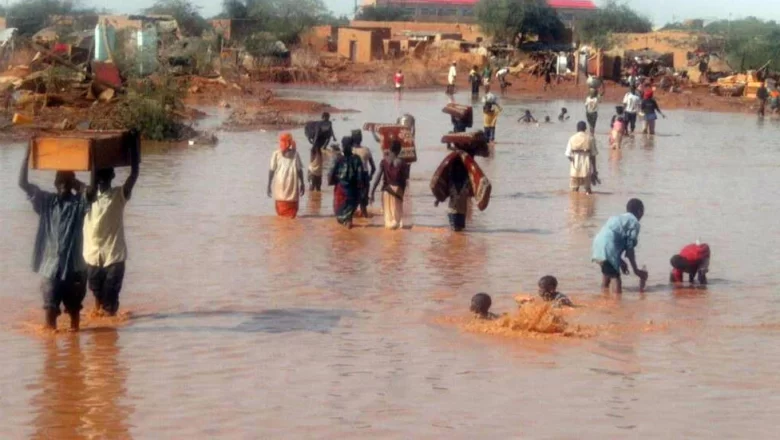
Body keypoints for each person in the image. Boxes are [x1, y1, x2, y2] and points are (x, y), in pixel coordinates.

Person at [19, 146, 89, 331]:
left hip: (75, 271)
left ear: (72, 183)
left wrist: (77, 182)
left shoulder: (79, 204)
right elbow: (23, 183)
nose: (63, 183)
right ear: (55, 183)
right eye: (60, 179)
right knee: (49, 324)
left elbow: (90, 193)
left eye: (67, 180)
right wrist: (28, 153)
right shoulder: (46, 202)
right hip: (51, 270)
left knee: (75, 324)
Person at [83, 141, 140, 317]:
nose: (103, 181)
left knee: (109, 305)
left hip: (113, 256)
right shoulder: (87, 196)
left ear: (111, 177)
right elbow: (72, 181)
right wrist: (92, 154)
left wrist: (134, 149)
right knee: (97, 298)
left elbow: (134, 175)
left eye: (105, 177)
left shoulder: (118, 195)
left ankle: (108, 336)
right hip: (93, 255)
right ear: (97, 179)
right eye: (101, 177)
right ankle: (104, 334)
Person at [592, 198, 648, 294]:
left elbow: (612, 239)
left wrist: (620, 261)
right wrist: (636, 270)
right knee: (616, 279)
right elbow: (629, 250)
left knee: (607, 275)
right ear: (640, 211)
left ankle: (603, 299)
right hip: (608, 248)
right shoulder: (634, 222)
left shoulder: (617, 218)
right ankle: (617, 304)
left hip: (597, 246)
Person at [370, 140, 410, 230]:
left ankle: (389, 240)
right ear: (399, 150)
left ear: (390, 149)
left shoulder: (384, 161)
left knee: (388, 219)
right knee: (397, 219)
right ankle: (397, 240)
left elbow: (377, 178)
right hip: (398, 191)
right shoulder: (402, 163)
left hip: (387, 191)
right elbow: (405, 178)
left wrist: (371, 193)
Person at [329, 136, 365, 228]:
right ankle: (348, 222)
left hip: (341, 188)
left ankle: (346, 223)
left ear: (342, 145)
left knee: (339, 210)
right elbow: (360, 176)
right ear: (352, 146)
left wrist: (332, 182)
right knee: (350, 208)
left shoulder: (338, 158)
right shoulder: (356, 159)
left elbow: (331, 173)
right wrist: (361, 189)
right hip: (352, 189)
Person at [268, 132, 305, 219]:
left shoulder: (276, 154)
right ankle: (291, 229)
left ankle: (283, 229)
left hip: (280, 185)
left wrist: (269, 184)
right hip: (292, 184)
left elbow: (272, 170)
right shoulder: (295, 154)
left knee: (281, 213)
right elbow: (300, 170)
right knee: (291, 213)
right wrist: (302, 183)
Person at [435, 157, 471, 231]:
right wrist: (438, 199)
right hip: (454, 211)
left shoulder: (466, 181)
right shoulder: (452, 182)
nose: (458, 170)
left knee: (459, 232)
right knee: (456, 231)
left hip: (462, 212)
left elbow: (475, 191)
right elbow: (444, 192)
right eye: (457, 168)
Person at [565, 121, 599, 194]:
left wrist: (573, 161)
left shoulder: (572, 138)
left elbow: (568, 154)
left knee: (574, 191)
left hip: (575, 167)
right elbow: (593, 155)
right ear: (585, 129)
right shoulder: (590, 139)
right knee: (588, 190)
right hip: (586, 167)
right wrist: (594, 170)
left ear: (577, 129)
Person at [307, 112, 337, 191]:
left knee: (316, 189)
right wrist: (315, 143)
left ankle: (315, 202)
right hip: (314, 174)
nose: (328, 118)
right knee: (313, 188)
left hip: (318, 174)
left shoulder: (318, 151)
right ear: (323, 117)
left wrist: (333, 137)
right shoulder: (314, 150)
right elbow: (317, 134)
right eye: (327, 117)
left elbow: (330, 131)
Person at [351, 129, 376, 218]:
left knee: (352, 204)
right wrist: (370, 177)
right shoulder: (366, 150)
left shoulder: (350, 151)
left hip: (352, 177)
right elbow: (373, 168)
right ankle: (366, 219)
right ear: (361, 138)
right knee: (363, 204)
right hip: (364, 176)